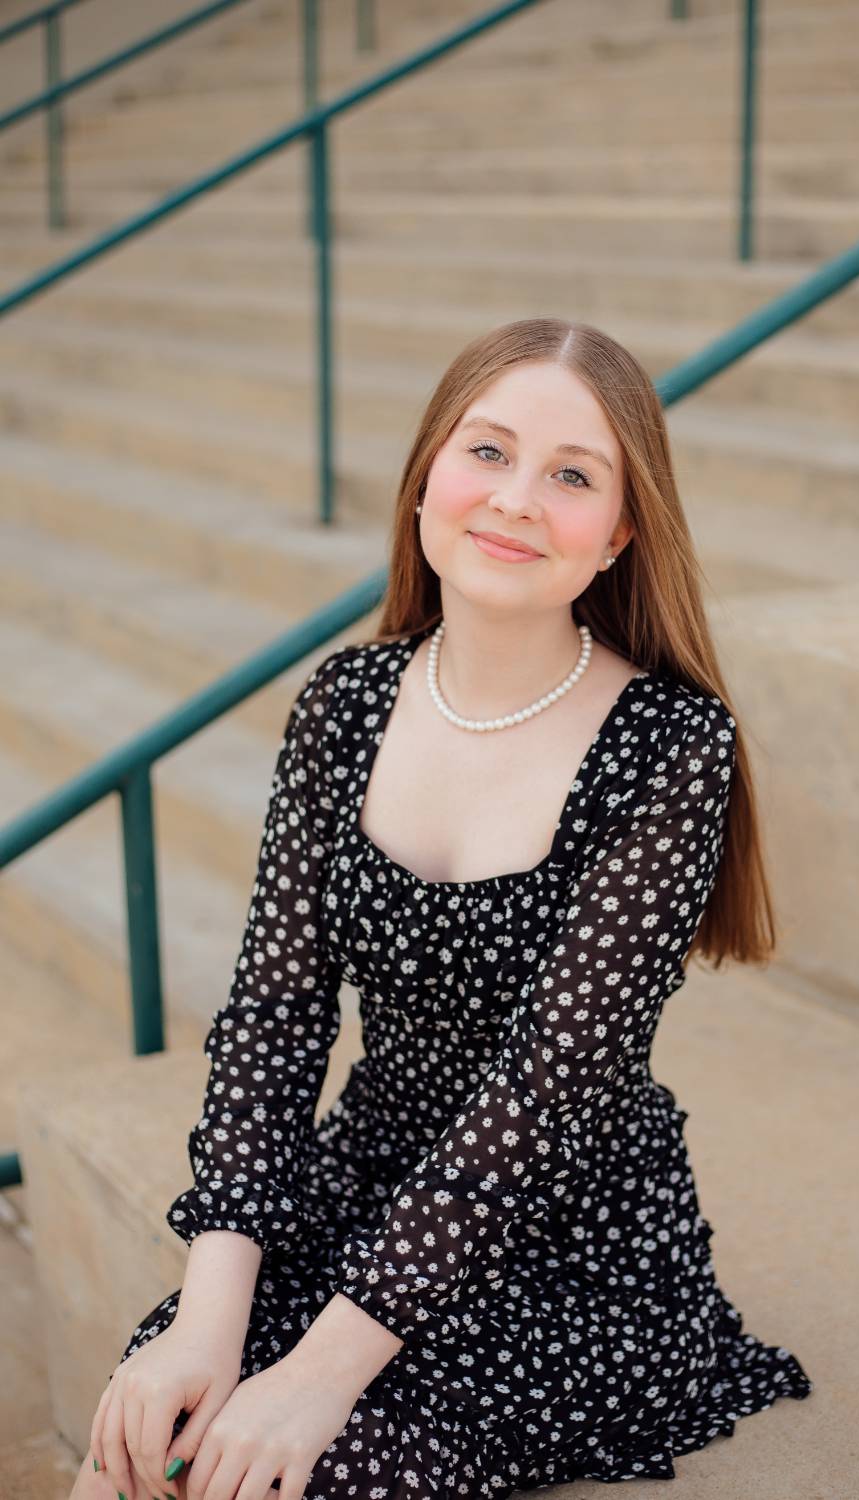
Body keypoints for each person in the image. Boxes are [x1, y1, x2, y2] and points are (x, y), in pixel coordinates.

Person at [72, 318, 812, 1500]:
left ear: (620, 532)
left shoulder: (671, 746)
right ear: (425, 479)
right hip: (359, 1181)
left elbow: (546, 1093)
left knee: (290, 1474)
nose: (517, 499)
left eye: (572, 475)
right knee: (142, 1438)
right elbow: (274, 1016)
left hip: (564, 1242)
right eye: (488, 452)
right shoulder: (348, 702)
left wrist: (319, 1374)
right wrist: (213, 1316)